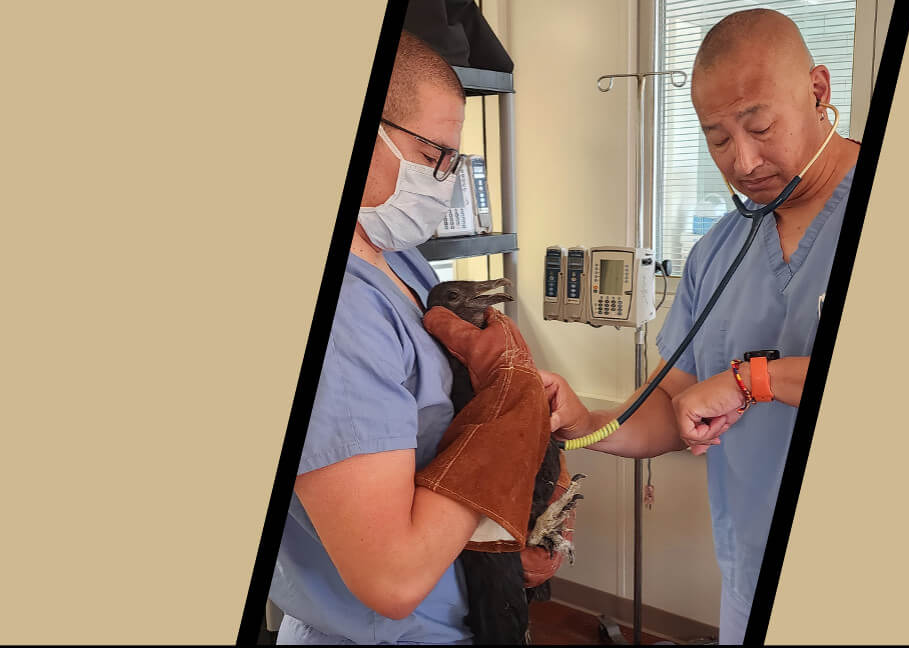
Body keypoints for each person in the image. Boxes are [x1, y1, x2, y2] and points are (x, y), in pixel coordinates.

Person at [541, 9, 860, 644]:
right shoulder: (717, 252)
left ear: (820, 91)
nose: (743, 161)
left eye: (760, 127)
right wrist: (583, 423)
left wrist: (752, 380)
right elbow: (673, 402)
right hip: (748, 575)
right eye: (717, 140)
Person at [268, 32, 554, 645]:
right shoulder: (341, 308)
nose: (446, 178)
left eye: (455, 159)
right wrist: (508, 421)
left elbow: (439, 438)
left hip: (457, 611)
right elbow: (391, 579)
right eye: (435, 154)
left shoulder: (399, 259)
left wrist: (508, 525)